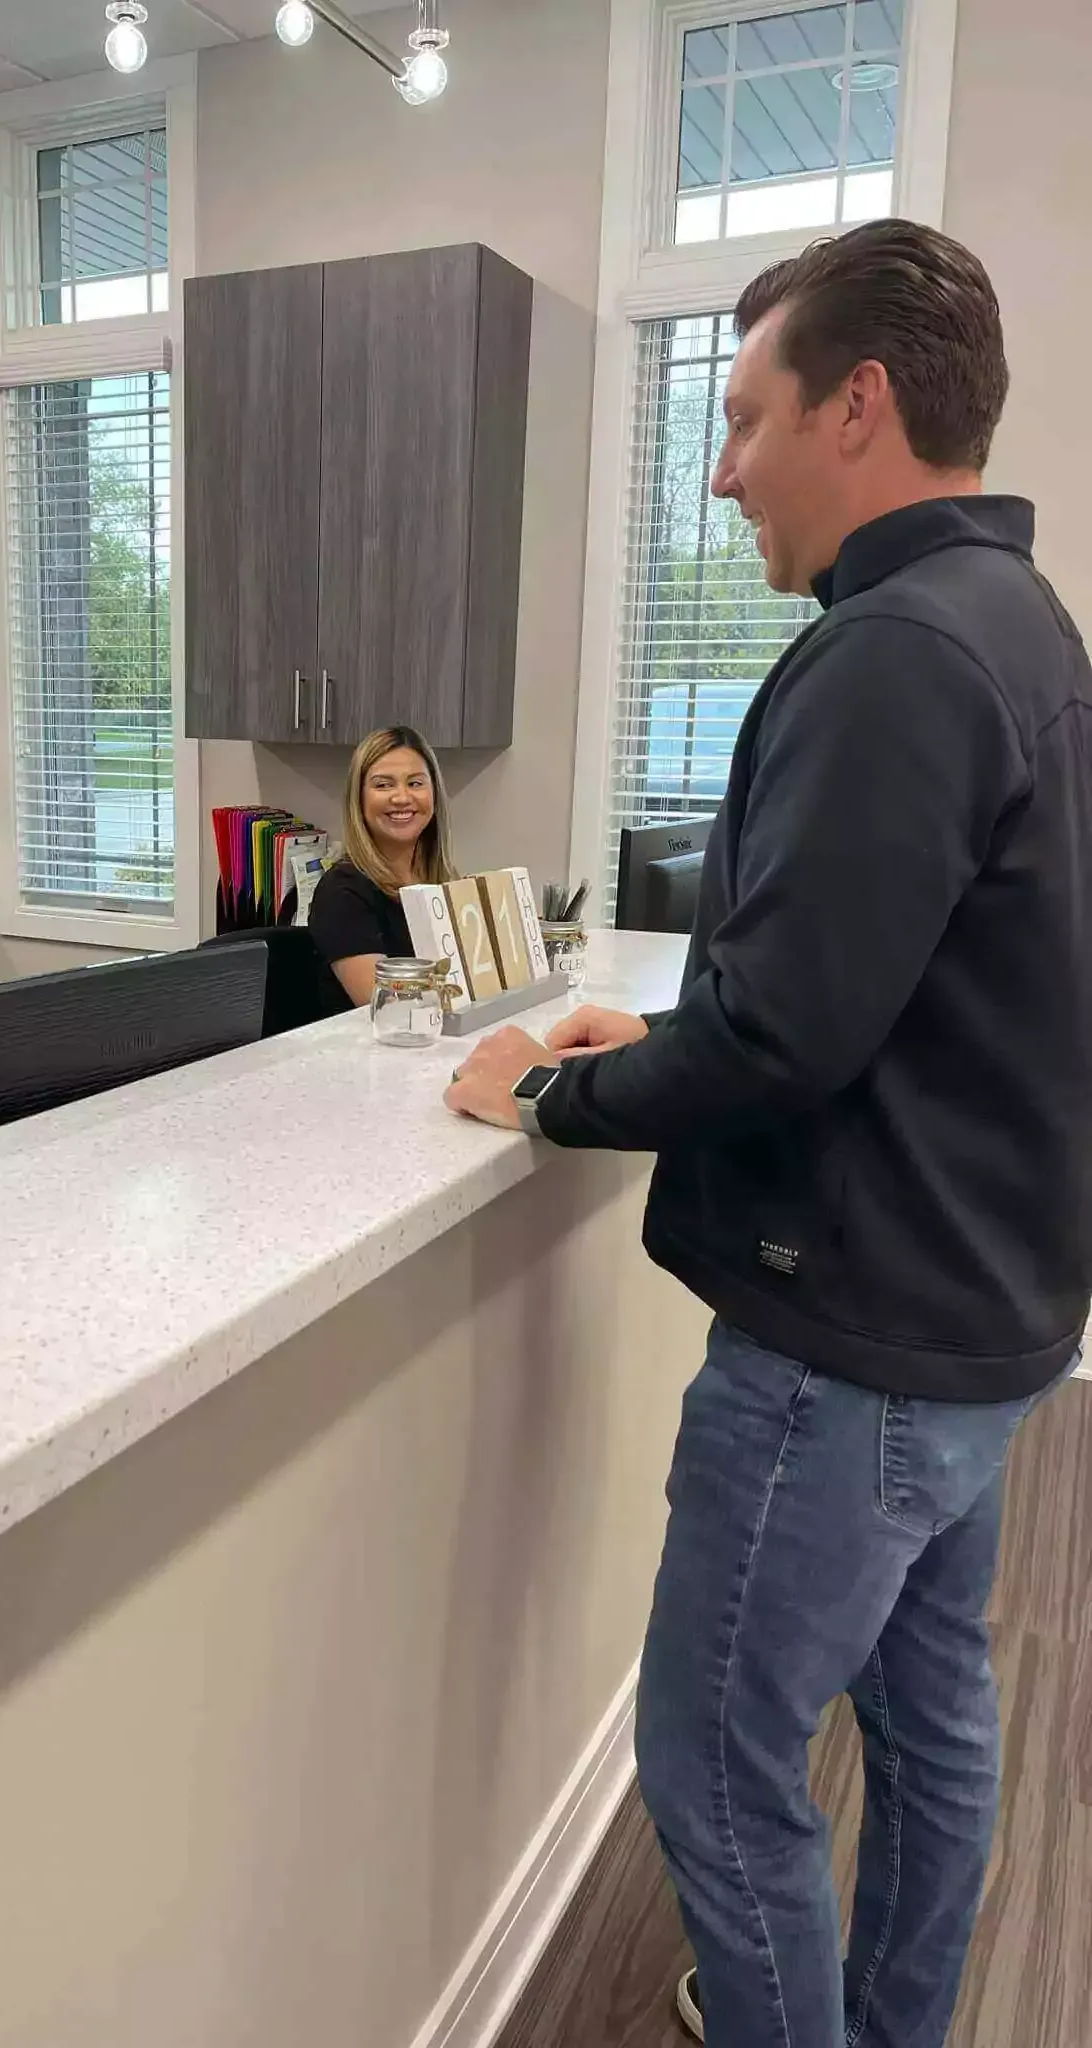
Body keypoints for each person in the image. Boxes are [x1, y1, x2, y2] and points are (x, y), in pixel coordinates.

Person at [446, 220, 1092, 2047]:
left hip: (847, 1345)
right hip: (978, 1318)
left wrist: (554, 1090)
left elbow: (788, 1032)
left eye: (743, 418)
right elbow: (897, 991)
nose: (723, 473)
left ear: (857, 404)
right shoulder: (1023, 625)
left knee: (717, 1759)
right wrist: (658, 1032)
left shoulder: (895, 651)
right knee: (932, 1717)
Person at [306, 725, 457, 1006]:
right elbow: (388, 1007)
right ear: (359, 799)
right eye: (383, 785)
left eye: (415, 783)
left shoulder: (444, 882)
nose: (402, 797)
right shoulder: (341, 893)